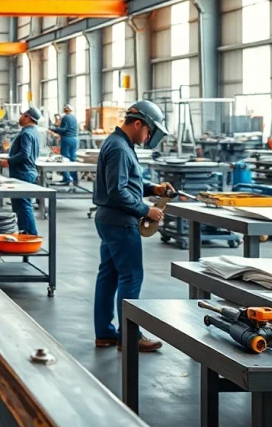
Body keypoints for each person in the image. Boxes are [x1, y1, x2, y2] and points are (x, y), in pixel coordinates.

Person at [92, 100, 171, 353]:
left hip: (109, 220)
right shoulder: (119, 148)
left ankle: (105, 334)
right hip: (119, 222)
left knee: (109, 276)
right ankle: (129, 336)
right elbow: (117, 190)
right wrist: (146, 209)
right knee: (131, 276)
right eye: (148, 131)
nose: (148, 136)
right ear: (138, 124)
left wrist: (152, 189)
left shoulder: (120, 144)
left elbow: (127, 182)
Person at [1, 107, 41, 235]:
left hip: (23, 173)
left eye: (22, 115)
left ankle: (30, 236)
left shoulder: (26, 134)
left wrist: (9, 161)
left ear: (27, 117)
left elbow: (25, 155)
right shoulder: (33, 132)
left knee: (24, 207)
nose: (20, 118)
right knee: (21, 207)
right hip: (26, 172)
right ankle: (25, 234)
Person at [49, 104, 80, 186]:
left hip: (67, 139)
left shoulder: (66, 117)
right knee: (72, 159)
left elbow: (64, 130)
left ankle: (66, 179)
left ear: (66, 109)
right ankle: (75, 180)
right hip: (74, 139)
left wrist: (54, 128)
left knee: (65, 159)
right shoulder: (74, 117)